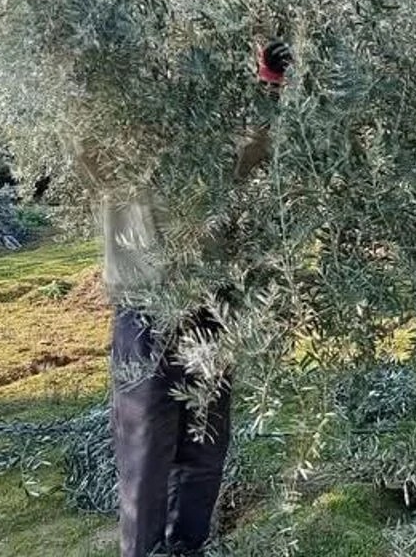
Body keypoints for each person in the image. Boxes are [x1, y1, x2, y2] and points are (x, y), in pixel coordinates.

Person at [74, 40, 290, 557]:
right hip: (145, 313)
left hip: (210, 311)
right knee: (146, 456)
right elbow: (83, 145)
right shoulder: (116, 154)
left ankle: (188, 547)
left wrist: (270, 86)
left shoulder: (208, 150)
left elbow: (253, 154)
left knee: (206, 449)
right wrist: (80, 68)